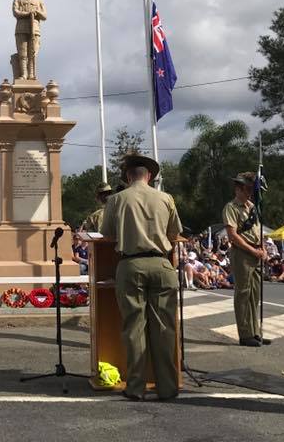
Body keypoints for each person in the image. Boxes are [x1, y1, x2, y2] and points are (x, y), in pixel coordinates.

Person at [100, 154, 182, 401]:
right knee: (165, 328)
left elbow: (107, 235)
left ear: (127, 176)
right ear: (150, 176)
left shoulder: (116, 200)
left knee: (134, 328)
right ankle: (167, 386)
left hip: (131, 264)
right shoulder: (166, 198)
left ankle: (135, 386)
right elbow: (175, 233)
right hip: (161, 263)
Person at [222, 172, 268, 348]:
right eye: (247, 189)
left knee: (254, 294)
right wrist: (252, 250)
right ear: (238, 189)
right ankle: (245, 334)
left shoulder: (253, 207)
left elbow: (257, 230)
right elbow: (233, 235)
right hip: (242, 252)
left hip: (255, 251)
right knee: (243, 294)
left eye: (251, 189)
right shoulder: (231, 207)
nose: (250, 192)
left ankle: (255, 331)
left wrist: (262, 248)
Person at [11, 0, 47, 79]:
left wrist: (36, 12)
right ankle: (24, 74)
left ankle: (31, 74)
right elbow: (16, 12)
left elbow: (45, 16)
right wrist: (28, 13)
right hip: (21, 29)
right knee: (23, 54)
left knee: (33, 53)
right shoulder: (17, 0)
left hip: (35, 30)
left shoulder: (39, 0)